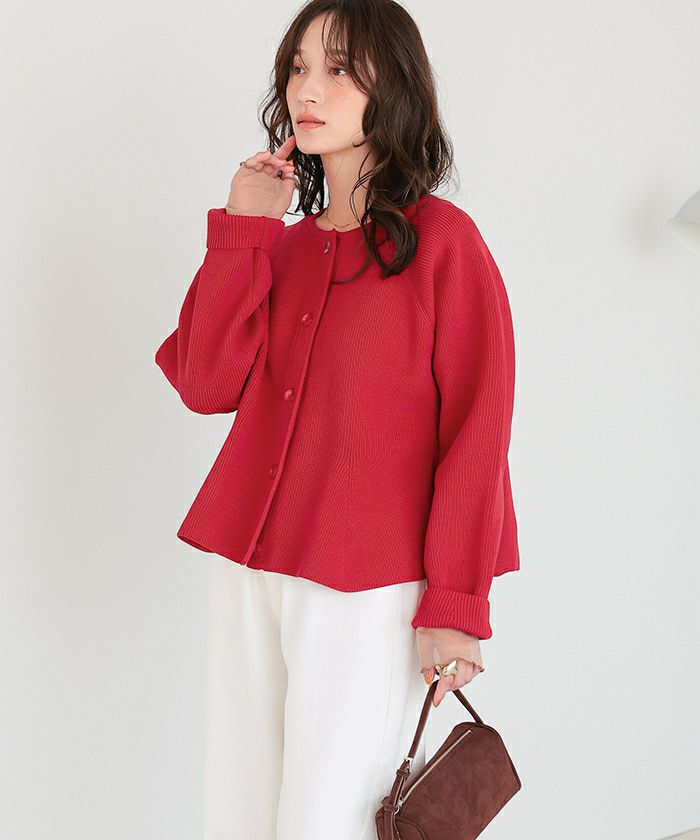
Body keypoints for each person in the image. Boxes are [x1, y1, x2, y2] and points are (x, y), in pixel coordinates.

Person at [154, 1, 520, 837]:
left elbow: (479, 430)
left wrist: (456, 603)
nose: (308, 90)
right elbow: (206, 383)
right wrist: (244, 226)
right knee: (240, 810)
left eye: (339, 69)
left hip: (369, 587)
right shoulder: (277, 247)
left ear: (393, 87)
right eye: (298, 68)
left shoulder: (444, 244)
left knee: (332, 818)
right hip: (251, 571)